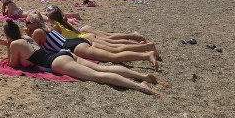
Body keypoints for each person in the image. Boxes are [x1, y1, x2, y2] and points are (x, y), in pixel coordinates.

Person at [0, 20, 166, 96]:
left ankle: (140, 86)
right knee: (103, 68)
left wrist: (7, 47)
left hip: (57, 62)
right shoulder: (27, 38)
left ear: (7, 35)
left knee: (98, 76)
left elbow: (13, 65)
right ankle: (142, 76)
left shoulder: (15, 44)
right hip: (66, 54)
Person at [24, 12, 159, 71]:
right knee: (114, 49)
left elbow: (35, 50)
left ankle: (146, 55)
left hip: (75, 48)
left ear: (34, 23)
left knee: (113, 56)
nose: (26, 25)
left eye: (27, 23)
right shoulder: (47, 28)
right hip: (76, 42)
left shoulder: (37, 33)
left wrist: (27, 35)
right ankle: (146, 47)